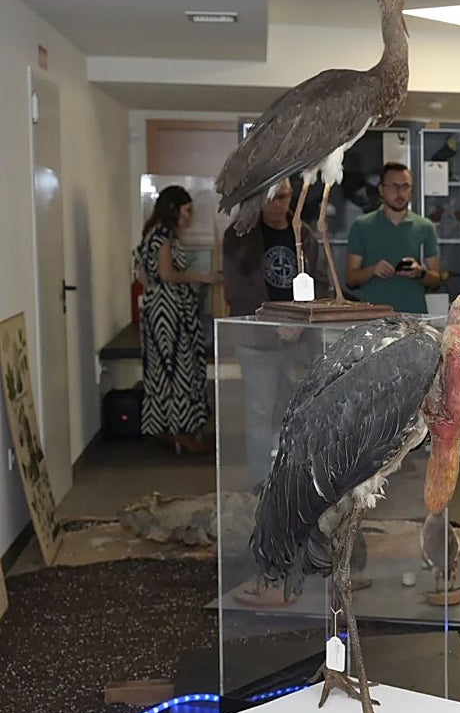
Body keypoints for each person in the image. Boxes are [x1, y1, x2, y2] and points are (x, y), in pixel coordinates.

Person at [222, 178, 332, 486]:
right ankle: (260, 481)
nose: (278, 205)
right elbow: (236, 290)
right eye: (271, 198)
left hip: (299, 337)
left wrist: (300, 320)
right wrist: (275, 322)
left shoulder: (304, 233)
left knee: (295, 411)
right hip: (257, 340)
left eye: (284, 197)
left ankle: (291, 478)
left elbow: (318, 280)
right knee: (259, 412)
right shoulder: (240, 235)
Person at [136, 185, 221, 454]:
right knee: (178, 368)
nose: (188, 216)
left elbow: (144, 276)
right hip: (169, 311)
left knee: (164, 369)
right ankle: (179, 430)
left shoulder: (152, 234)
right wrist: (202, 277)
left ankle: (168, 428)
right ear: (173, 209)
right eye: (186, 211)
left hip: (159, 308)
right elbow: (167, 275)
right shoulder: (163, 237)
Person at [345, 162, 440, 312]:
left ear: (411, 191)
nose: (399, 193)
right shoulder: (362, 225)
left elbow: (436, 281)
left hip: (413, 318)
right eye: (394, 186)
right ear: (382, 190)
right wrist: (372, 270)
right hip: (373, 319)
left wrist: (419, 272)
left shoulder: (425, 227)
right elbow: (350, 279)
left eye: (405, 186)